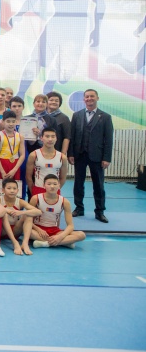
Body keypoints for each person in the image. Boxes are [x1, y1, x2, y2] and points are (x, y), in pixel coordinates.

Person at [68, 89, 113, 223]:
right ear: (84, 99)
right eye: (87, 97)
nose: (89, 98)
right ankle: (79, 208)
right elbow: (72, 136)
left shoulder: (105, 117)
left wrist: (107, 158)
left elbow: (108, 139)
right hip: (80, 155)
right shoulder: (76, 115)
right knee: (78, 184)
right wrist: (71, 153)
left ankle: (100, 211)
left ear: (97, 98)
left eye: (92, 96)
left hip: (97, 156)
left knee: (98, 185)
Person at [30, 174, 86, 248]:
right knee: (27, 231)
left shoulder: (65, 202)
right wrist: (38, 229)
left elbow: (70, 226)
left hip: (55, 231)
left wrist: (60, 236)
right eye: (49, 184)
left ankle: (46, 243)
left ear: (59, 185)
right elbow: (27, 220)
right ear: (44, 185)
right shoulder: (36, 198)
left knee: (81, 235)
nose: (52, 186)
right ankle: (65, 242)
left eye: (55, 184)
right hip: (39, 230)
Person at [0, 178, 41, 256]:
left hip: (15, 231)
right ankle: (15, 243)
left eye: (14, 188)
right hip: (2, 231)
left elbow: (38, 211)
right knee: (3, 214)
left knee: (28, 215)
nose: (12, 191)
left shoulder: (20, 201)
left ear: (18, 190)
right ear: (3, 190)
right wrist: (4, 210)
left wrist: (21, 212)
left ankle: (25, 243)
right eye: (9, 188)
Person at [26, 127, 68, 196]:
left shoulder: (62, 157)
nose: (50, 139)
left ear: (56, 138)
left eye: (53, 136)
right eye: (47, 136)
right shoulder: (34, 155)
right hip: (38, 190)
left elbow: (63, 178)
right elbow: (28, 176)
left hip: (55, 191)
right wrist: (33, 191)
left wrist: (55, 189)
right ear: (41, 138)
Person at [0, 111, 25, 197]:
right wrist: (2, 171)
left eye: (13, 121)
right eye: (8, 121)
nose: (11, 124)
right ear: (3, 122)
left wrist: (15, 169)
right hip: (2, 164)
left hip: (15, 165)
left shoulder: (20, 136)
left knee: (14, 190)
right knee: (1, 191)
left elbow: (22, 155)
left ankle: (14, 205)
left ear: (16, 122)